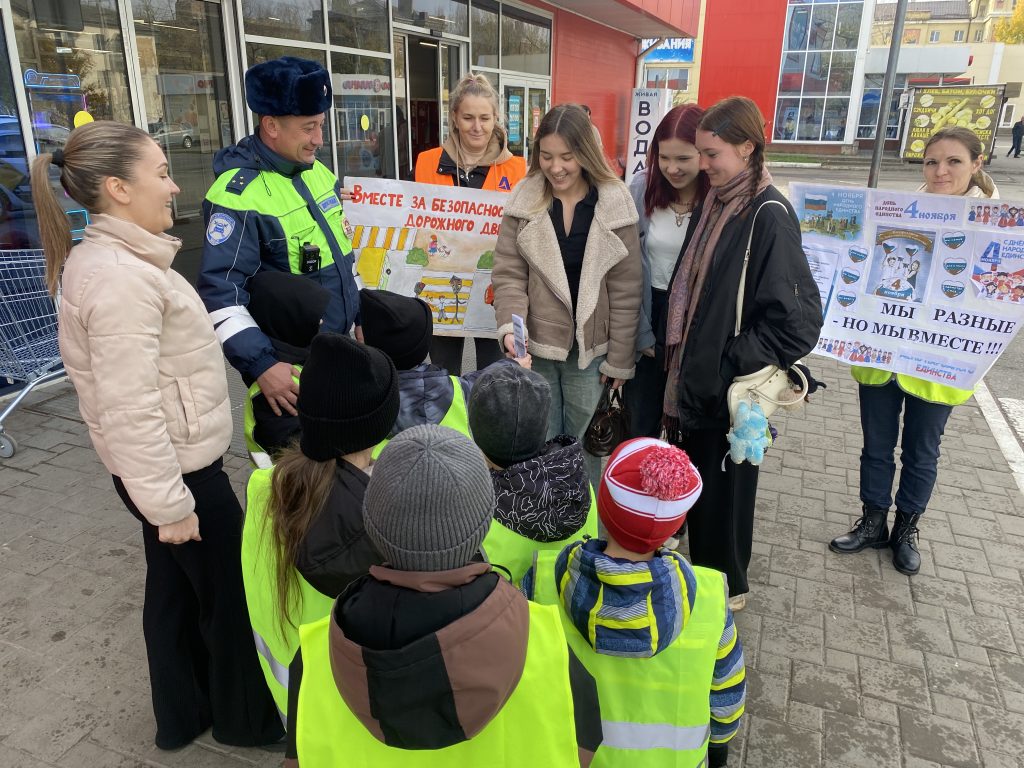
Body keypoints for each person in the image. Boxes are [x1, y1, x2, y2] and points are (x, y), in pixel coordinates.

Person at [30, 121, 282, 750]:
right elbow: (129, 407)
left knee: (172, 593)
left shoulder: (125, 261)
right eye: (162, 174)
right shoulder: (121, 278)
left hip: (164, 469)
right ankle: (247, 722)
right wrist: (170, 505)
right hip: (179, 474)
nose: (174, 187)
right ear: (118, 188)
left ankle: (182, 715)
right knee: (229, 598)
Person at [285, 425, 602, 766]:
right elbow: (580, 750)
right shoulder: (547, 645)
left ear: (373, 524)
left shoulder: (316, 656)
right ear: (484, 523)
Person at [662, 96, 822, 611]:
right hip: (700, 376)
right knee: (706, 484)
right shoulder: (720, 201)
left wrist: (731, 359)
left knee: (727, 493)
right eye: (701, 152)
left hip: (727, 383)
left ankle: (727, 588)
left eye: (712, 154)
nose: (702, 164)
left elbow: (798, 322)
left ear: (747, 148)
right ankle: (708, 575)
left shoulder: (768, 214)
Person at [831, 127, 999, 576]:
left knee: (921, 453)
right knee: (876, 446)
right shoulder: (900, 212)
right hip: (882, 358)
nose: (940, 171)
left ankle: (906, 530)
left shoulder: (998, 226)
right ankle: (873, 522)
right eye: (931, 161)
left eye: (954, 161)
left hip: (938, 368)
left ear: (977, 164)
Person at [522, 437, 746, 768]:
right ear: (676, 524)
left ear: (603, 507)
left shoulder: (541, 582)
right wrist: (719, 749)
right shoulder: (709, 597)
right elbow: (727, 699)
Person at [242, 332, 400, 718]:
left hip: (291, 694)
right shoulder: (387, 516)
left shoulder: (263, 488)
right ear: (380, 424)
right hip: (357, 710)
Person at [199, 56, 360, 420]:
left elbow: (342, 253)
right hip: (288, 373)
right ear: (270, 125)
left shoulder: (317, 171)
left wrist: (360, 313)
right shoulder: (237, 196)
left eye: (321, 125)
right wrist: (262, 364)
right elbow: (220, 293)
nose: (319, 139)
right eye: (308, 128)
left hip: (337, 352)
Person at [492, 104, 642, 489]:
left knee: (584, 449)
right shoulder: (524, 200)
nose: (555, 167)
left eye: (567, 156)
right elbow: (509, 275)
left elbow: (626, 289)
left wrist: (620, 359)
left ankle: (583, 519)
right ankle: (543, 515)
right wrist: (511, 331)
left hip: (591, 355)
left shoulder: (614, 202)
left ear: (586, 153)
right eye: (546, 156)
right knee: (540, 444)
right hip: (537, 350)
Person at [415, 73, 527, 375]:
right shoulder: (426, 162)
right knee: (444, 376)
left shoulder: (518, 169)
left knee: (495, 376)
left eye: (484, 118)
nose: (477, 127)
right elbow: (405, 213)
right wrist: (360, 200)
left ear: (496, 118)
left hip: (495, 291)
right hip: (440, 288)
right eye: (468, 118)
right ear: (454, 117)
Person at [624, 104, 709, 437]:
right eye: (664, 157)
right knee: (639, 427)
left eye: (683, 159)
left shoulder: (716, 197)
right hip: (647, 311)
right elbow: (625, 267)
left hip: (693, 321)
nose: (672, 168)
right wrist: (640, 333)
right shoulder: (642, 187)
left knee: (686, 431)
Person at [469, 364, 598, 583]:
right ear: (544, 425)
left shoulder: (474, 512)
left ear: (475, 430)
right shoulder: (579, 481)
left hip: (510, 604)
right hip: (575, 600)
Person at [359, 288, 529, 452]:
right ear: (424, 344)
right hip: (458, 468)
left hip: (381, 470)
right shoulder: (457, 389)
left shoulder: (359, 396)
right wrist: (514, 366)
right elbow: (490, 380)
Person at [243, 272, 331, 468]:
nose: (321, 322)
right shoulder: (276, 389)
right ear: (290, 322)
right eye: (312, 317)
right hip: (285, 485)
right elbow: (304, 456)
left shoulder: (302, 357)